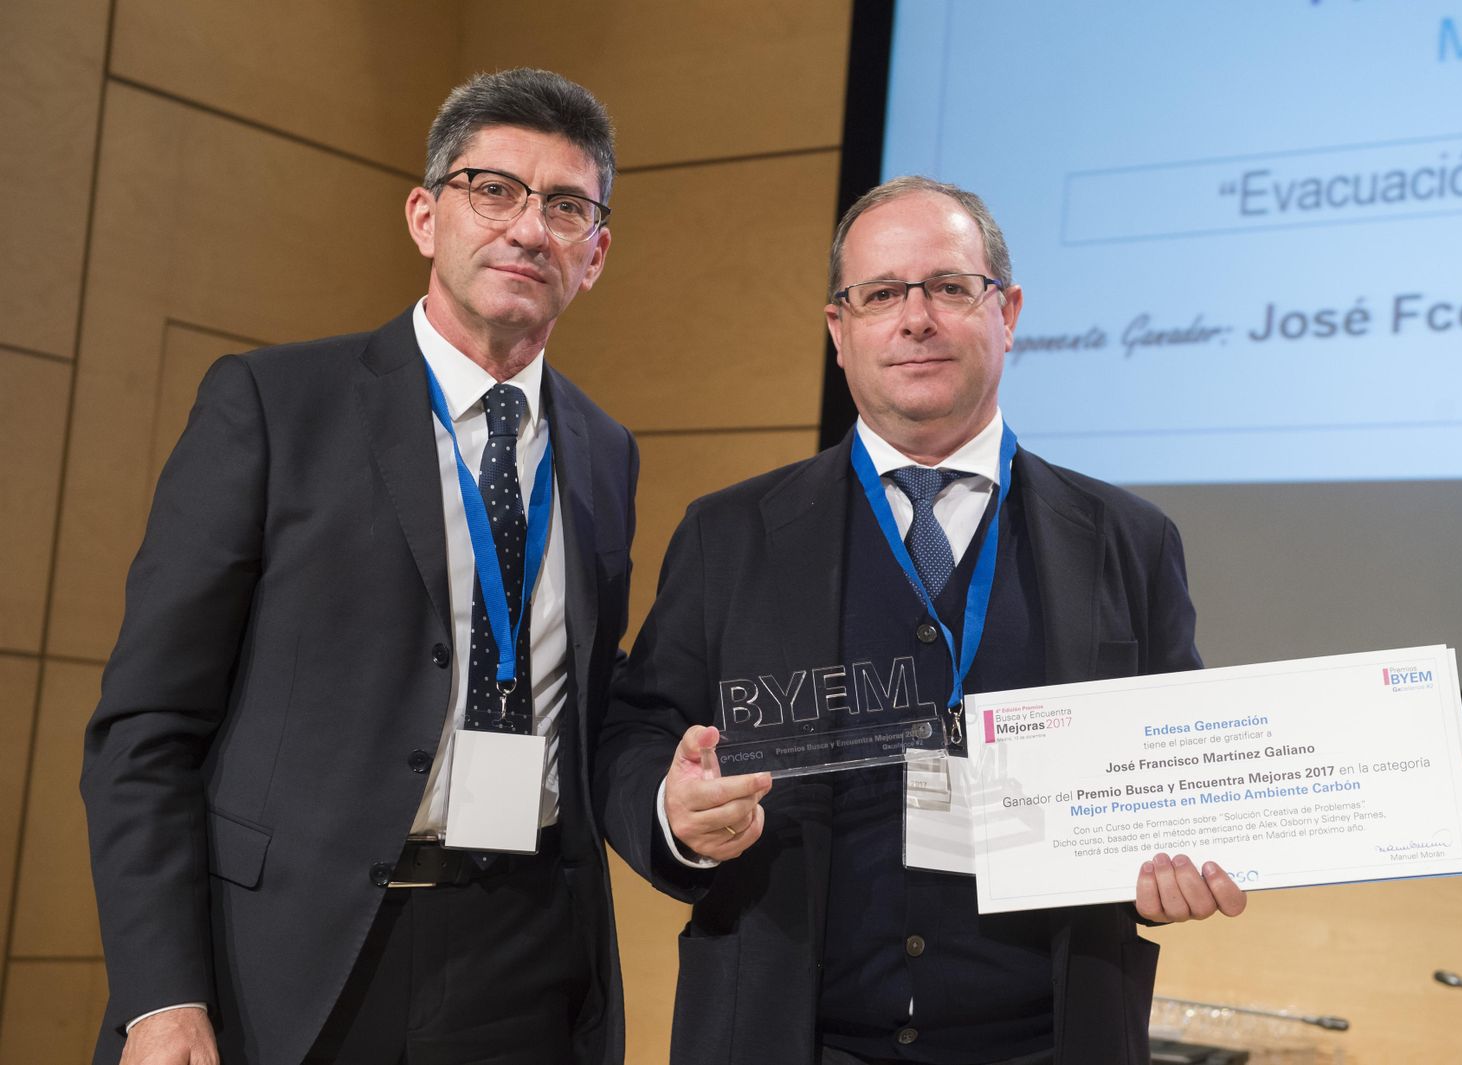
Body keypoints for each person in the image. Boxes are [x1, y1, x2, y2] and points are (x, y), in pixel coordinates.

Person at [596, 176, 1245, 1065]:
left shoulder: (1127, 541)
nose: (916, 318)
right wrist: (672, 809)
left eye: (948, 287)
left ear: (1007, 312)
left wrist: (1175, 858)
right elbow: (635, 729)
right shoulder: (730, 532)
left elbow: (1179, 773)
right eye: (880, 294)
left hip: (1052, 1044)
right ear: (840, 329)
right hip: (786, 1039)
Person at [81, 68, 635, 1065]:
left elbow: (589, 705)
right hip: (291, 965)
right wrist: (160, 996)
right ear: (426, 216)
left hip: (524, 960)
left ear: (594, 255)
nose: (527, 228)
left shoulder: (604, 452)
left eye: (564, 207)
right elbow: (145, 731)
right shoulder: (272, 404)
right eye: (492, 189)